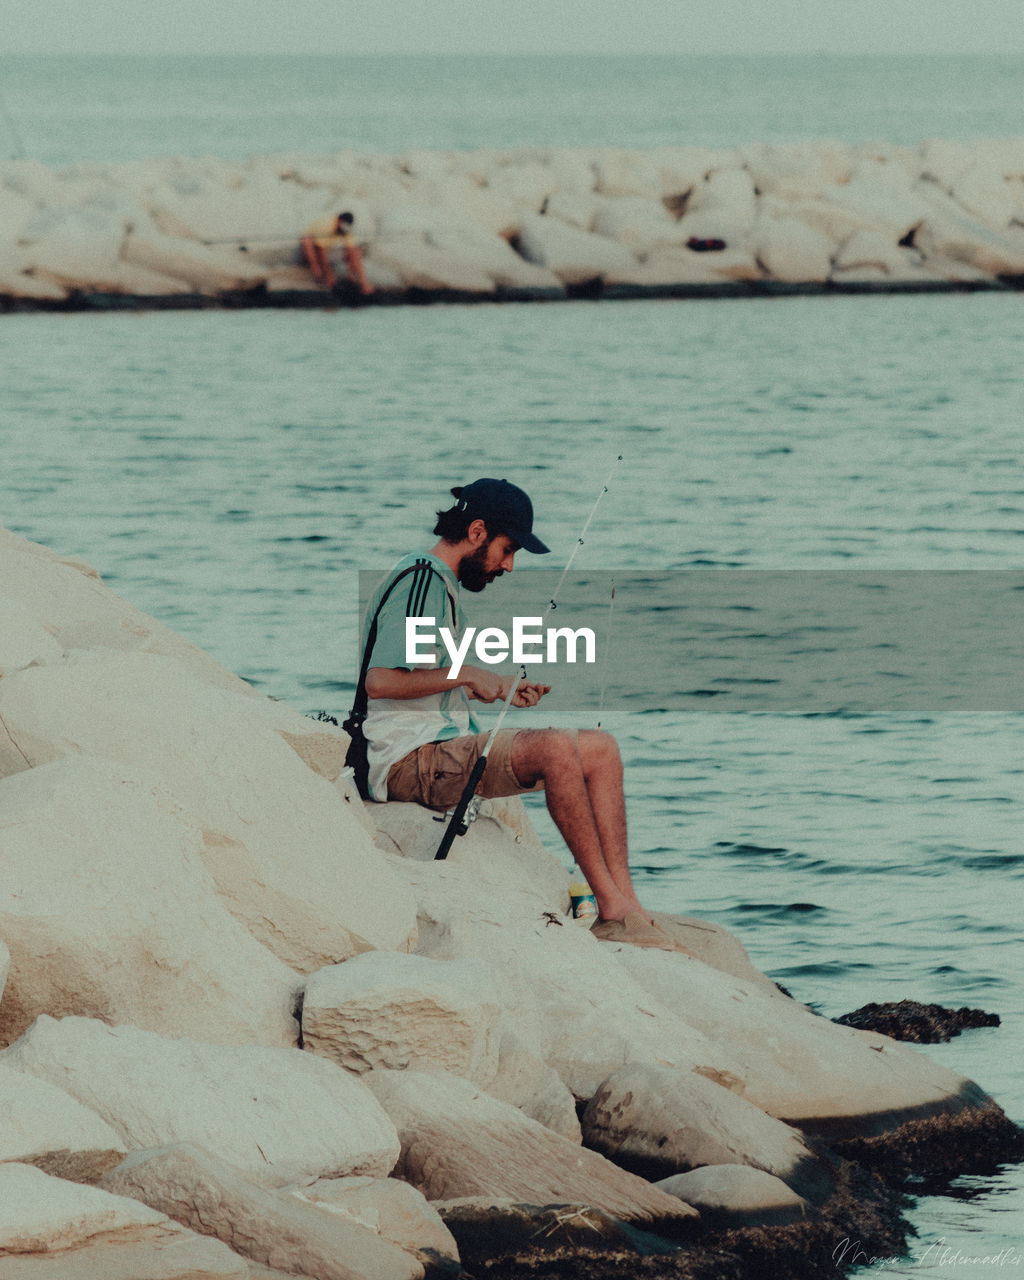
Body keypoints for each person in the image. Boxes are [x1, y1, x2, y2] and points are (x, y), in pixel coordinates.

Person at [358, 477, 689, 952]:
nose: (509, 566)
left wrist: (493, 688)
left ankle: (628, 905)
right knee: (554, 748)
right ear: (476, 532)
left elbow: (428, 677)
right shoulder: (421, 580)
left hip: (441, 749)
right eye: (507, 549)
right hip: (409, 762)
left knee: (601, 749)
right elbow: (381, 681)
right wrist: (470, 674)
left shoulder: (439, 587)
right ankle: (610, 910)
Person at [300, 211, 373, 295]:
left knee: (356, 250)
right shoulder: (326, 225)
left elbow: (351, 249)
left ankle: (361, 282)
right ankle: (316, 270)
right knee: (307, 240)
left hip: (327, 250)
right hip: (309, 253)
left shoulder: (344, 228)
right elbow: (321, 251)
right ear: (338, 220)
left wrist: (354, 274)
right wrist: (328, 274)